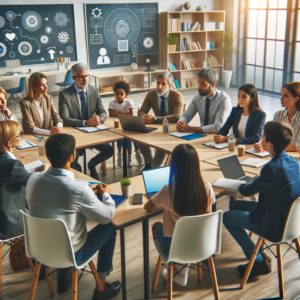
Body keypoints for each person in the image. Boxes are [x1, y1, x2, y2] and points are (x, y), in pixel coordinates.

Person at [26, 133, 121, 299]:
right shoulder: (79, 188)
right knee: (110, 227)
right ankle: (102, 288)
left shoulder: (33, 179)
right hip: (72, 253)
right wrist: (106, 195)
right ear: (72, 157)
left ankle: (63, 275)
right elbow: (107, 216)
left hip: (38, 250)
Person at [223, 121, 300, 279]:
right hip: (292, 220)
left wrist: (247, 181)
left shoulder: (271, 168)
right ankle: (257, 255)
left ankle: (258, 261)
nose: (261, 139)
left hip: (274, 225)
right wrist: (261, 181)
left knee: (226, 217)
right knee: (236, 205)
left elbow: (245, 191)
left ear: (269, 145)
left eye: (263, 137)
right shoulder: (294, 162)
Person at [144, 144, 215, 286]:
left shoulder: (168, 191)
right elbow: (210, 204)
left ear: (174, 165)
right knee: (189, 227)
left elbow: (147, 207)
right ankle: (182, 269)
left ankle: (178, 268)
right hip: (203, 244)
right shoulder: (207, 187)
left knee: (157, 227)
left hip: (177, 248)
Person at [59, 63, 113, 179]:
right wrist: (85, 123)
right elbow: (64, 118)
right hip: (75, 134)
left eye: (87, 76)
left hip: (94, 132)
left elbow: (102, 111)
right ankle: (81, 177)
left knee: (109, 150)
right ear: (74, 78)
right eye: (81, 77)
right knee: (73, 160)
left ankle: (92, 164)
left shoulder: (94, 90)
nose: (85, 79)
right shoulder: (65, 94)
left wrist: (100, 119)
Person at [0, 120, 47, 240]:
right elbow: (38, 184)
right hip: (10, 224)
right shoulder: (13, 165)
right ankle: (39, 254)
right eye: (19, 135)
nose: (21, 136)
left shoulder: (8, 162)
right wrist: (44, 172)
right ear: (10, 142)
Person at [137, 71, 183, 170]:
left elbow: (177, 117)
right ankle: (149, 163)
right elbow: (141, 111)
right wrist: (145, 116)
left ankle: (153, 167)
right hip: (157, 127)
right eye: (158, 83)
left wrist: (155, 119)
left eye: (163, 83)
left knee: (162, 141)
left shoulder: (177, 96)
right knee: (137, 134)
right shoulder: (151, 94)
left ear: (170, 85)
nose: (159, 86)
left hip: (171, 130)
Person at [177, 68, 231, 134]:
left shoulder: (224, 99)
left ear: (213, 84)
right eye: (199, 83)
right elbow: (186, 116)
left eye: (203, 84)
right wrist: (181, 123)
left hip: (218, 137)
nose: (199, 87)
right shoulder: (197, 98)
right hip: (201, 134)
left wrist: (190, 129)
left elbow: (218, 127)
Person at [255, 82, 300, 152]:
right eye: (281, 95)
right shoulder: (278, 115)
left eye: (286, 95)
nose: (281, 99)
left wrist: (271, 146)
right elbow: (271, 137)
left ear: (296, 99)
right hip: (277, 155)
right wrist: (261, 144)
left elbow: (298, 146)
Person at [108, 80, 143, 167]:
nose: (119, 96)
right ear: (114, 94)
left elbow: (131, 113)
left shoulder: (128, 102)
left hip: (128, 124)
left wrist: (119, 113)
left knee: (129, 137)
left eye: (121, 94)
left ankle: (131, 156)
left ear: (126, 95)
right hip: (116, 125)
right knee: (120, 136)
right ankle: (119, 156)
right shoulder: (112, 103)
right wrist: (123, 113)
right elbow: (111, 114)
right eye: (117, 94)